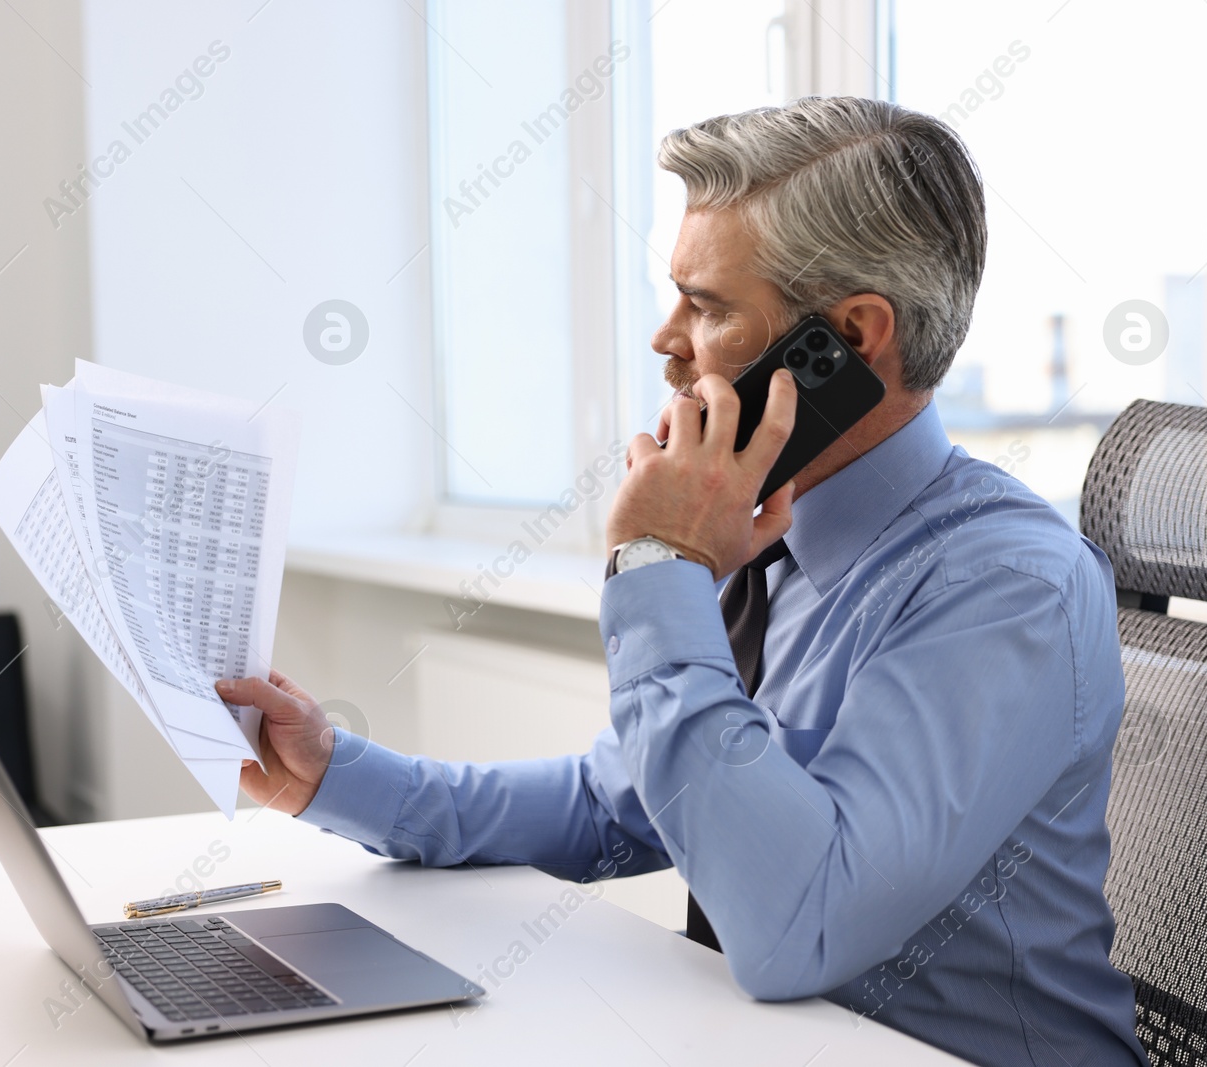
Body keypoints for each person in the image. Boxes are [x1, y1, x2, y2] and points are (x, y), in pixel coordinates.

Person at [217, 96, 1147, 1066]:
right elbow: (610, 807)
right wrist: (336, 772)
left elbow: (797, 926)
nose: (667, 340)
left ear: (848, 338)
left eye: (705, 306)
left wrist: (661, 569)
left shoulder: (1006, 586)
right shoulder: (770, 537)